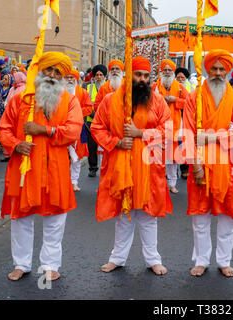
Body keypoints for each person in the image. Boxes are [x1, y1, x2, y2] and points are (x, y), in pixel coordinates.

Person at [0, 51, 83, 281]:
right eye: (49, 70)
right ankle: (21, 264)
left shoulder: (70, 100)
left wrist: (45, 130)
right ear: (41, 70)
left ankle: (50, 265)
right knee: (21, 218)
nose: (52, 75)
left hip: (56, 169)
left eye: (57, 72)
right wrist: (15, 145)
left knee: (54, 220)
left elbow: (74, 130)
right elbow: (3, 128)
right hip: (25, 168)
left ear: (63, 76)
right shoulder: (21, 98)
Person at [91, 56, 171, 276]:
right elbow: (97, 128)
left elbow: (168, 131)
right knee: (123, 215)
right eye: (138, 75)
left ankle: (153, 260)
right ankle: (117, 258)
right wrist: (116, 141)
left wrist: (140, 133)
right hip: (121, 164)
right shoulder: (110, 100)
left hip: (149, 166)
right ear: (130, 75)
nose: (143, 80)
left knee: (148, 216)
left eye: (146, 76)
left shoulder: (158, 101)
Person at [183, 49, 233, 278]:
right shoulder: (194, 98)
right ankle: (201, 260)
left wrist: (213, 137)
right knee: (200, 217)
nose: (218, 73)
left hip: (228, 164)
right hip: (200, 162)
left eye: (222, 69)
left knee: (227, 217)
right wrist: (196, 165)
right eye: (214, 68)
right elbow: (188, 133)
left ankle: (223, 260)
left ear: (228, 70)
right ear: (207, 70)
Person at [152, 59, 189, 194]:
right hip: (158, 126)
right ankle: (158, 183)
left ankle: (172, 184)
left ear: (173, 72)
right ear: (162, 72)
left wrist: (175, 100)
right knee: (158, 157)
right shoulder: (155, 86)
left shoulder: (180, 87)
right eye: (165, 70)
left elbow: (189, 103)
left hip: (174, 127)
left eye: (169, 70)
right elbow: (147, 101)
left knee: (173, 159)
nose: (167, 72)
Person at [64, 68, 92, 191]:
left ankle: (74, 182)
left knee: (77, 158)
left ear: (76, 79)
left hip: (78, 129)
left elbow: (89, 108)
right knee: (63, 156)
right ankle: (64, 182)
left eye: (72, 78)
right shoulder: (59, 92)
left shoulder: (83, 93)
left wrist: (76, 113)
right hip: (62, 129)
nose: (70, 80)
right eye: (68, 78)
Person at [85, 64, 107, 177]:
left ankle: (106, 167)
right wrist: (94, 114)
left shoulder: (108, 87)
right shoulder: (87, 87)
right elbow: (86, 103)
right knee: (92, 147)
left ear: (104, 76)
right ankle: (92, 168)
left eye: (101, 75)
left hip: (105, 122)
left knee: (105, 146)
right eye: (97, 75)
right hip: (91, 122)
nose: (99, 77)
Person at [175, 67, 191, 179]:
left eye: (182, 77)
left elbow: (189, 102)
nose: (180, 79)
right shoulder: (172, 87)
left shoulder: (190, 88)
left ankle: (184, 168)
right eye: (178, 77)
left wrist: (175, 101)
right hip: (174, 119)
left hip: (186, 119)